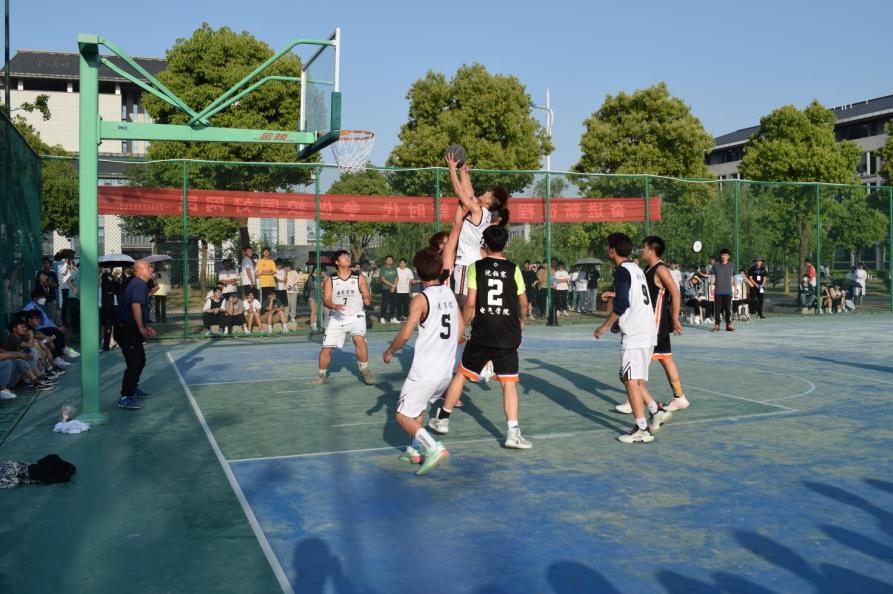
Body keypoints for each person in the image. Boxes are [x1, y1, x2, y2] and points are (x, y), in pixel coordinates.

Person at [428, 225, 532, 449]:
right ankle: (513, 433)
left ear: (484, 243)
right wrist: (521, 323)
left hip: (483, 332)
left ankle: (443, 419)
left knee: (462, 375)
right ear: (506, 244)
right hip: (507, 334)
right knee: (509, 383)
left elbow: (470, 303)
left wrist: (462, 328)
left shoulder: (476, 267)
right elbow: (523, 303)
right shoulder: (514, 269)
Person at [383, 249, 460, 475]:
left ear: (417, 271)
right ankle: (413, 450)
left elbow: (405, 335)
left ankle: (433, 448)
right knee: (418, 409)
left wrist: (390, 351)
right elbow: (459, 330)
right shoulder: (449, 293)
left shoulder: (421, 299)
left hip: (425, 371)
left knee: (402, 416)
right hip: (445, 372)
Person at [594, 233, 672, 444]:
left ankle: (641, 429)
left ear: (612, 250)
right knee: (631, 378)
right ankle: (655, 410)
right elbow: (633, 298)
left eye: (608, 247)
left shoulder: (622, 271)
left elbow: (622, 304)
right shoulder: (636, 269)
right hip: (647, 331)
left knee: (630, 380)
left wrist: (604, 326)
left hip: (636, 334)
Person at [614, 236, 688, 414]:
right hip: (651, 324)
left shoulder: (661, 269)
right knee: (665, 359)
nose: (642, 250)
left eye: (644, 247)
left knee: (637, 365)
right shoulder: (646, 269)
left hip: (654, 325)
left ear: (652, 251)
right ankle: (679, 397)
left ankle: (635, 401)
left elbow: (675, 292)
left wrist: (675, 317)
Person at [444, 153, 509, 307]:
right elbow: (470, 194)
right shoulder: (485, 214)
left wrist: (452, 169)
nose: (485, 192)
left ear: (489, 200)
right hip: (474, 262)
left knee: (462, 299)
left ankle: (463, 322)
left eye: (488, 193)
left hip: (466, 263)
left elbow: (460, 192)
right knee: (471, 299)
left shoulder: (478, 211)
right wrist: (464, 173)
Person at [314, 250, 374, 385]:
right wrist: (333, 305)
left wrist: (367, 300)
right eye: (343, 256)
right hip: (337, 317)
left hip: (356, 315)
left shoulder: (359, 278)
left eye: (348, 255)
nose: (347, 257)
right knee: (326, 348)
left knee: (359, 339)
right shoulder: (330, 280)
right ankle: (321, 373)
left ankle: (364, 369)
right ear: (337, 262)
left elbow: (366, 295)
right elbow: (326, 300)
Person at [115, 259, 156, 410]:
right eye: (149, 267)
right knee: (135, 362)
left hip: (130, 328)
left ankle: (132, 389)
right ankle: (125, 397)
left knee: (140, 360)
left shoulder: (139, 284)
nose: (152, 269)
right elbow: (136, 306)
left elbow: (138, 309)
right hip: (126, 329)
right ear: (140, 270)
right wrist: (141, 327)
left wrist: (145, 326)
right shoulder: (139, 284)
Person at [23, 288, 78, 363]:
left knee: (56, 331)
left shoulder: (38, 307)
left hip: (44, 328)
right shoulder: (30, 308)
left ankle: (62, 351)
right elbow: (37, 324)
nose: (44, 299)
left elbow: (47, 321)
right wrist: (56, 328)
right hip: (37, 329)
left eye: (44, 297)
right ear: (35, 298)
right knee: (54, 332)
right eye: (41, 297)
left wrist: (57, 327)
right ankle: (60, 354)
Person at [710, 249, 735, 332]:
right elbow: (713, 276)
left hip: (728, 291)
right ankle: (717, 325)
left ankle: (728, 325)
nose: (724, 257)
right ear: (721, 256)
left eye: (726, 255)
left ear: (729, 256)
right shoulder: (715, 265)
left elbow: (734, 276)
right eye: (723, 255)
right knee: (717, 309)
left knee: (728, 309)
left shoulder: (732, 265)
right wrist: (711, 287)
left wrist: (734, 288)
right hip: (718, 291)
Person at [35, 258, 60, 323]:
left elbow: (57, 285)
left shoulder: (53, 274)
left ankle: (51, 328)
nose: (44, 265)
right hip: (41, 298)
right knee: (42, 317)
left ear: (50, 265)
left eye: (46, 263)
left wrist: (48, 284)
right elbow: (37, 286)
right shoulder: (39, 273)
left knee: (51, 317)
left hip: (51, 298)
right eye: (43, 263)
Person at [100, 269, 119, 351]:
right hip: (104, 302)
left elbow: (116, 290)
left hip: (111, 302)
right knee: (104, 322)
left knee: (111, 321)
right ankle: (105, 339)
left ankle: (111, 339)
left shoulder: (114, 279)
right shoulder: (102, 278)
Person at [378, 255, 398, 324]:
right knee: (385, 303)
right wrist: (392, 285)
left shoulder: (394, 269)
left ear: (392, 261)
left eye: (391, 260)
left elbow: (396, 278)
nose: (390, 261)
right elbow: (383, 279)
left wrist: (394, 287)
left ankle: (392, 317)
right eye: (388, 260)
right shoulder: (383, 268)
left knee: (393, 303)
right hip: (385, 289)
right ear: (385, 261)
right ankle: (382, 317)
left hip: (393, 289)